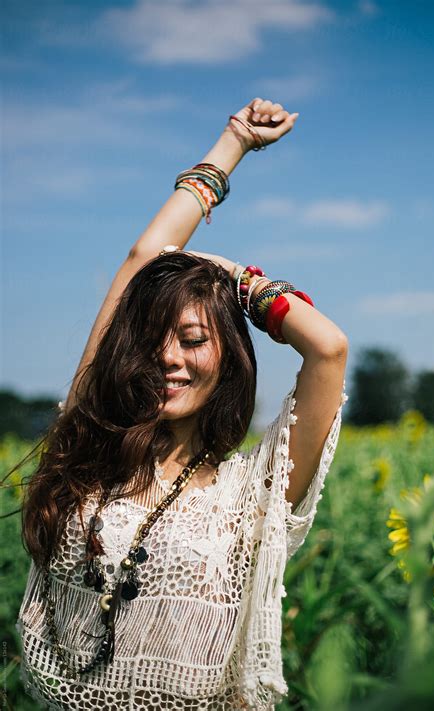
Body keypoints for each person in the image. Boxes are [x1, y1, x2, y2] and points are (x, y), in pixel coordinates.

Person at [15, 97, 349, 710]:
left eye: (194, 340)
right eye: (151, 340)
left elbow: (327, 349)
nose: (169, 358)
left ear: (228, 361)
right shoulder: (84, 444)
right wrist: (233, 143)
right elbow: (144, 259)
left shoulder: (255, 494)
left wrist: (229, 278)